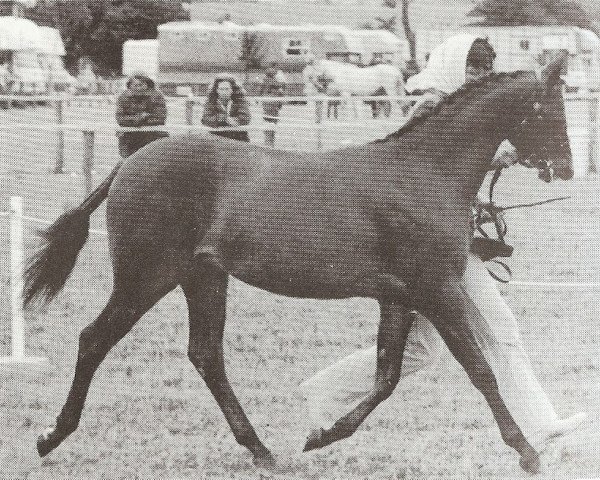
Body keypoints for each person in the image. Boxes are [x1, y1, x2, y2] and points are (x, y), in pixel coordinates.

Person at [300, 33, 586, 454]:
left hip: (443, 240)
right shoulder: (433, 106)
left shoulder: (464, 111)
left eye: (485, 70)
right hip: (427, 246)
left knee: (420, 350)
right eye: (474, 69)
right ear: (455, 66)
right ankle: (539, 423)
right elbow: (410, 173)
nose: (479, 77)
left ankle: (324, 393)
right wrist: (492, 160)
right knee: (499, 329)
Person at [115, 72, 168, 158]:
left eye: (141, 85)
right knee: (128, 163)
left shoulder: (156, 96)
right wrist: (140, 118)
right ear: (130, 86)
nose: (138, 88)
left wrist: (138, 121)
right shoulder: (124, 97)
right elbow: (120, 119)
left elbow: (160, 118)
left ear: (147, 85)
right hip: (129, 137)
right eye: (135, 85)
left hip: (152, 135)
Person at [201, 74, 251, 143]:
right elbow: (205, 119)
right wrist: (224, 119)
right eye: (221, 89)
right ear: (217, 90)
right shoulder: (211, 101)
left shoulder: (240, 100)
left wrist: (236, 121)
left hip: (239, 138)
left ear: (232, 90)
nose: (224, 92)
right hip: (217, 138)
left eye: (227, 89)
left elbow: (245, 118)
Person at [259, 63, 286, 147]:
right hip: (273, 104)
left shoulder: (264, 81)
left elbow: (260, 91)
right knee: (273, 120)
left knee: (267, 119)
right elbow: (281, 91)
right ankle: (271, 138)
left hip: (266, 104)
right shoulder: (275, 82)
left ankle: (267, 137)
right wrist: (280, 104)